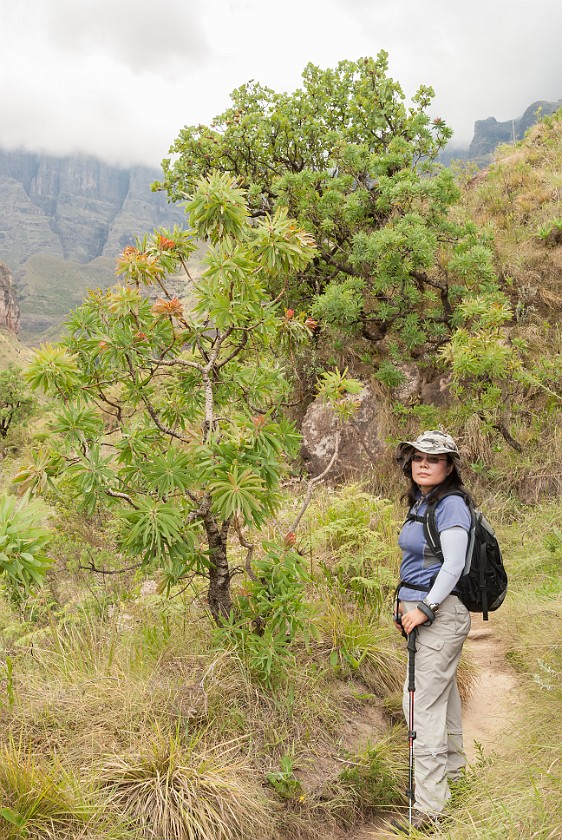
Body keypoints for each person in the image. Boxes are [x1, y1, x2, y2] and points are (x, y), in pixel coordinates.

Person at [391, 430, 473, 834]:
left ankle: (430, 809)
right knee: (443, 700)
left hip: (439, 614)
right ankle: (455, 779)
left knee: (418, 707)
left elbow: (453, 565)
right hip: (423, 612)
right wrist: (403, 602)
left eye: (433, 459)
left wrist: (425, 607)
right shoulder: (424, 502)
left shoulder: (451, 505)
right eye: (418, 457)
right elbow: (418, 563)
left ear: (450, 467)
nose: (422, 464)